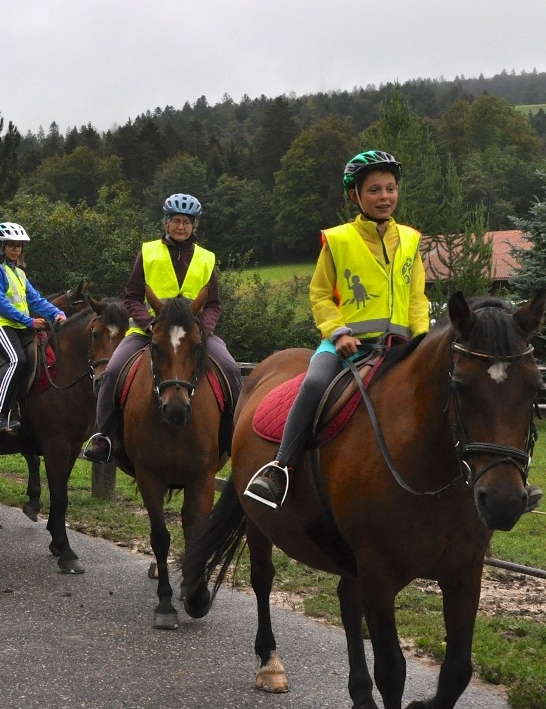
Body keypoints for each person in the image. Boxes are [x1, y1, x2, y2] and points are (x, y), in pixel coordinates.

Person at [244, 151, 429, 509]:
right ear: (355, 196)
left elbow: (417, 295)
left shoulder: (410, 240)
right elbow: (320, 295)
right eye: (374, 190)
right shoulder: (338, 240)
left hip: (400, 346)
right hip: (348, 347)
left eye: (391, 188)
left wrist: (421, 338)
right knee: (313, 383)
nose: (385, 196)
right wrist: (339, 333)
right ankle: (280, 467)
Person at [83, 193, 243, 463]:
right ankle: (105, 438)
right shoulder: (148, 252)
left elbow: (213, 304)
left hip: (192, 332)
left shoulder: (207, 258)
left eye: (187, 222)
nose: (181, 227)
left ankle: (237, 435)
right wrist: (148, 325)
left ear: (194, 226)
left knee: (231, 368)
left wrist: (204, 329)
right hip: (150, 330)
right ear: (166, 223)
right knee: (111, 371)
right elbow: (132, 297)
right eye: (176, 221)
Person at [0, 222, 66, 434]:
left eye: (19, 245)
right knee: (17, 359)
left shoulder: (19, 273)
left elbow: (35, 300)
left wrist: (57, 313)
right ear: (0, 246)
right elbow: (0, 302)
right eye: (11, 245)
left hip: (18, 326)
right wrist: (29, 321)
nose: (16, 249)